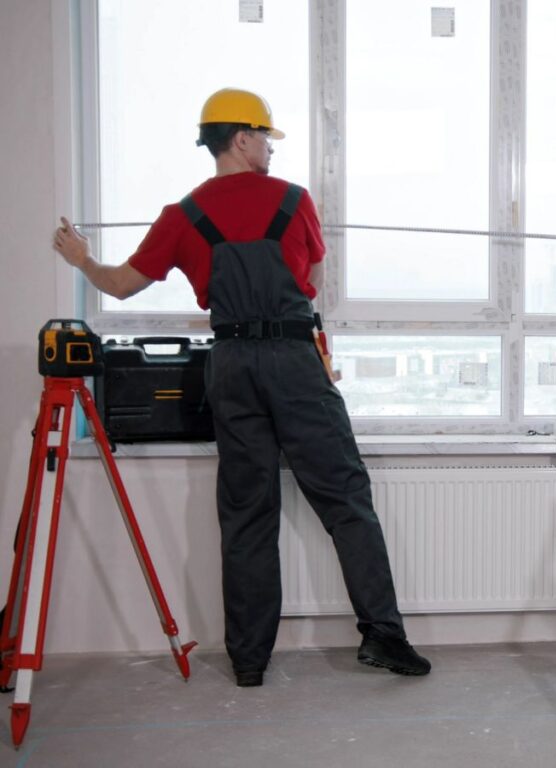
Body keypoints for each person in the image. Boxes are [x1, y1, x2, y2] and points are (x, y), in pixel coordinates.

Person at [52, 87, 430, 686]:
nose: (272, 151)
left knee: (247, 513)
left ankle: (249, 662)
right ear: (242, 137)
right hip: (293, 360)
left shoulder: (183, 214)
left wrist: (82, 259)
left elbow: (121, 285)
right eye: (266, 139)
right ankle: (383, 636)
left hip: (229, 364)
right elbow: (312, 279)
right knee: (346, 500)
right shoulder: (294, 200)